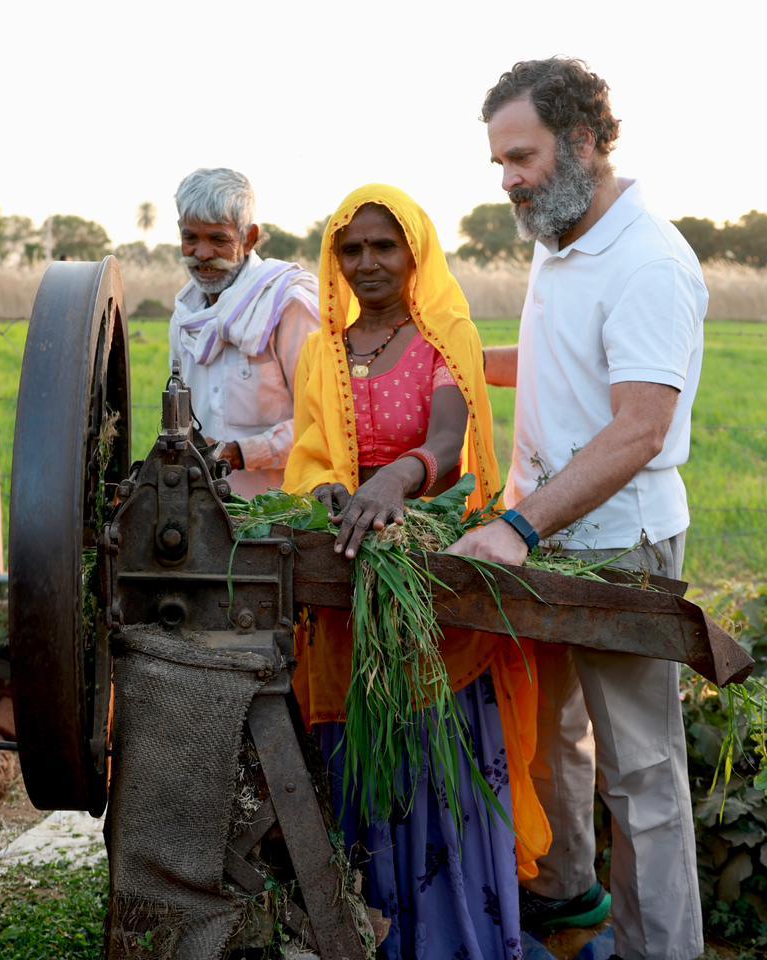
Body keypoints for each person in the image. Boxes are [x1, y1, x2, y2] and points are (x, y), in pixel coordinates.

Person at [448, 58, 708, 960]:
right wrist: (443, 357)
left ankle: (658, 952)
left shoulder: (648, 262)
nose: (510, 180)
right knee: (555, 736)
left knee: (643, 773)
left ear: (587, 141)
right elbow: (558, 362)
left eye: (521, 157)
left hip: (619, 546)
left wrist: (516, 527)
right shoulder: (558, 241)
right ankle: (567, 911)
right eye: (500, 164)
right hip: (550, 539)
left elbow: (637, 428)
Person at [283, 184, 550, 960]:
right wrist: (326, 489)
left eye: (384, 246)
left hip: (426, 579)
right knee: (353, 757)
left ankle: (453, 941)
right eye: (351, 249)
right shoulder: (321, 352)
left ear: (415, 253)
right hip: (342, 582)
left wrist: (397, 478)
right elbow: (308, 457)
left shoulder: (445, 338)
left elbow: (448, 440)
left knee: (437, 756)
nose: (367, 262)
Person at [170, 167, 319, 498]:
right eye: (190, 238)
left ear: (249, 238)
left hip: (287, 516)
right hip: (205, 513)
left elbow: (323, 422)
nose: (203, 254)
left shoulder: (288, 303)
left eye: (218, 239)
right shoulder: (184, 316)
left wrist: (240, 452)